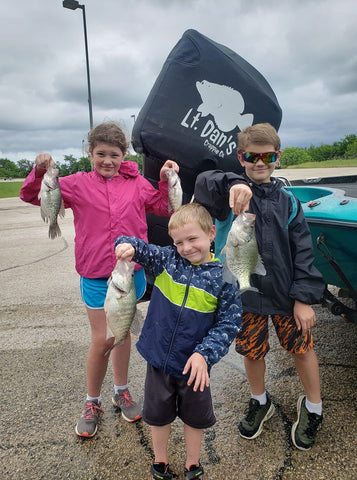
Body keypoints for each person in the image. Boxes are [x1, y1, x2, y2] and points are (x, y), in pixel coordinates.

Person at [20, 121, 179, 438]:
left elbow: (163, 206)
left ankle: (121, 391)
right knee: (102, 340)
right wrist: (38, 172)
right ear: (90, 153)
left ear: (124, 155)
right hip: (95, 275)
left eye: (115, 154)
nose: (108, 161)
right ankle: (92, 401)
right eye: (101, 154)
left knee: (122, 334)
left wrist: (165, 180)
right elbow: (32, 196)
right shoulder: (77, 183)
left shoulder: (136, 184)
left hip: (132, 273)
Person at [194, 123, 325, 451]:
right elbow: (202, 181)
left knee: (303, 349)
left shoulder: (290, 203)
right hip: (245, 295)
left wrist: (304, 298)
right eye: (252, 155)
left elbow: (305, 252)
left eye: (267, 155)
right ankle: (259, 400)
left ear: (277, 157)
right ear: (241, 157)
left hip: (286, 295)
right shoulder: (228, 197)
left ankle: (313, 407)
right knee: (252, 352)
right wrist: (235, 183)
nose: (260, 161)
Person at [114, 202, 242, 480]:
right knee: (157, 416)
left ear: (210, 233)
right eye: (179, 242)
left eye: (192, 239)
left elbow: (229, 323)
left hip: (194, 368)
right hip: (158, 360)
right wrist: (127, 246)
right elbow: (140, 246)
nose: (186, 248)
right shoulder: (168, 260)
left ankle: (192, 464)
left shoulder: (225, 279)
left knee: (195, 418)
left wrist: (204, 354)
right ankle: (160, 462)